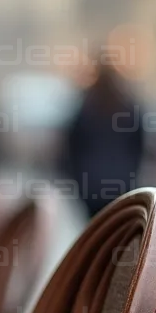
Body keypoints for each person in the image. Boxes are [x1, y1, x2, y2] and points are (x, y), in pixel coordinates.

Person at [62, 59, 145, 218]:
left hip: (91, 183)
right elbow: (139, 145)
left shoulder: (85, 108)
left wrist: (76, 177)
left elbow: (72, 148)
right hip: (122, 180)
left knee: (97, 232)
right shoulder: (128, 108)